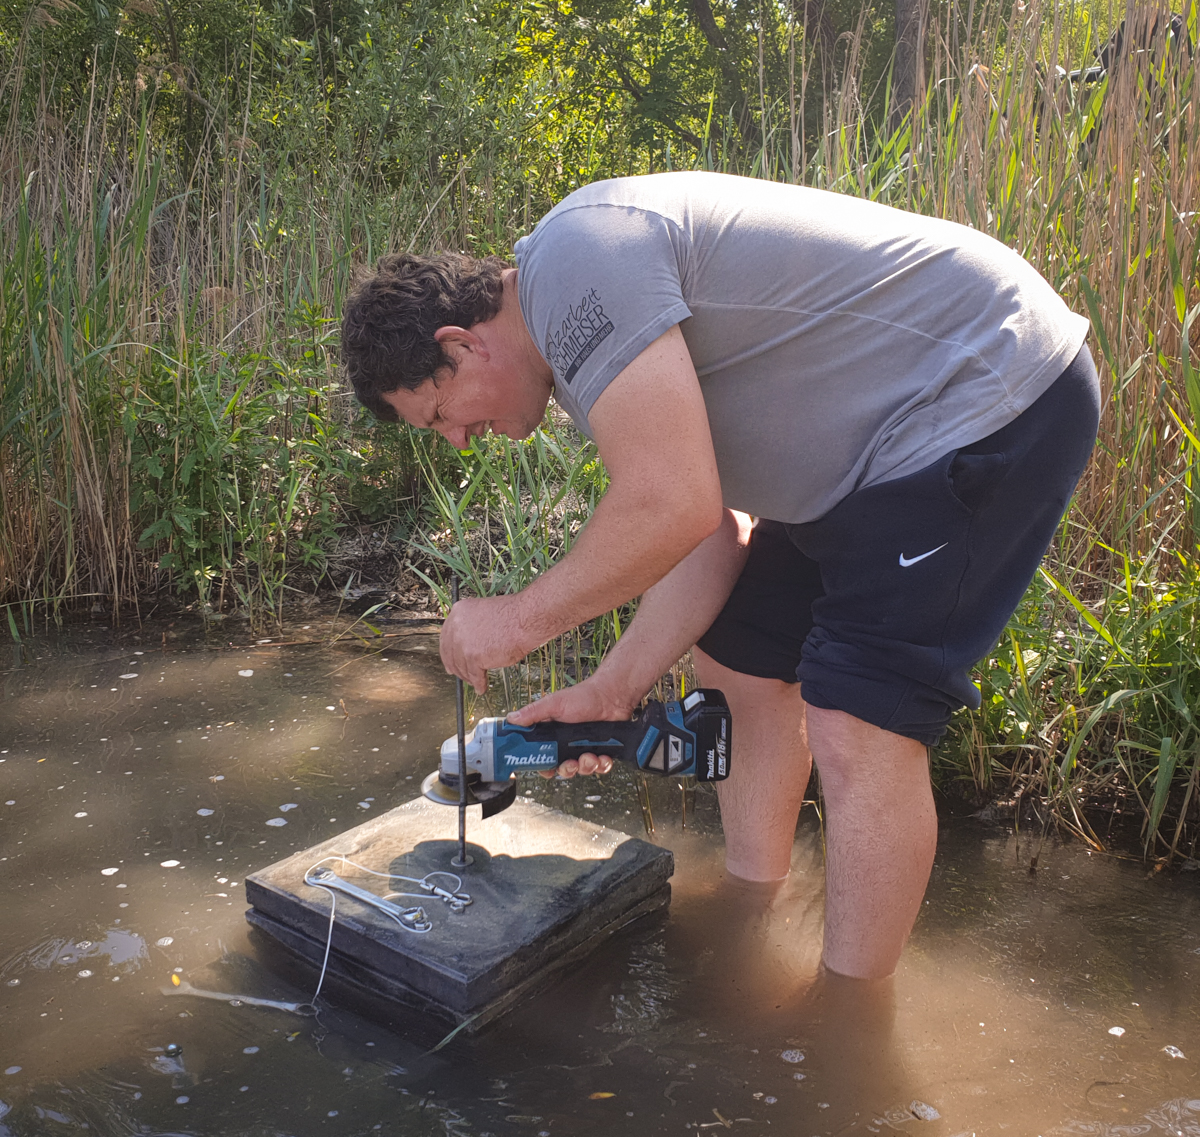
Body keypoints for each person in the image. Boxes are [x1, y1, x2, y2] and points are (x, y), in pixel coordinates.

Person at [340, 171, 1099, 980]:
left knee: (858, 715)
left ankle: (847, 1019)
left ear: (460, 345)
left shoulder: (573, 263)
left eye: (439, 415)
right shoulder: (576, 341)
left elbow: (671, 500)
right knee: (740, 650)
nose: (458, 440)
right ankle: (752, 903)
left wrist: (516, 619)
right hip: (867, 455)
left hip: (982, 390)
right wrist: (612, 688)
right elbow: (709, 526)